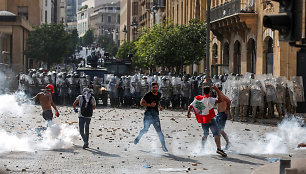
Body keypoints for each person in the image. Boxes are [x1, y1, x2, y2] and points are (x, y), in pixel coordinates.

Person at [187, 86, 227, 157]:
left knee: (205, 134)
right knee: (216, 134)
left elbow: (190, 106)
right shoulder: (210, 99)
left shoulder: (198, 99)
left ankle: (202, 149)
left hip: (203, 120)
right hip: (210, 119)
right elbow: (220, 100)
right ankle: (219, 149)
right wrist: (217, 90)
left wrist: (188, 113)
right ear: (210, 92)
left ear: (203, 92)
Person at [134, 82, 168, 152]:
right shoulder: (148, 95)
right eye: (153, 87)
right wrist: (149, 105)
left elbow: (157, 101)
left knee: (159, 132)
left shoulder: (159, 94)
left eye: (156, 87)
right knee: (145, 129)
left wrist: (160, 106)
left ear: (158, 87)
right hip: (148, 115)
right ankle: (138, 138)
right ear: (151, 88)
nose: (155, 89)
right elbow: (141, 103)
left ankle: (164, 146)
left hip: (155, 115)